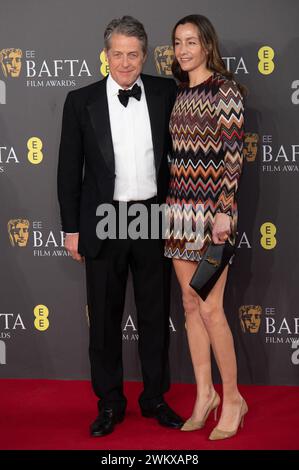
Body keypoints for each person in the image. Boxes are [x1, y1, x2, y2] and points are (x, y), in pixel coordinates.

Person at [57, 15, 183, 437]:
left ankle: (155, 398)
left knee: (154, 314)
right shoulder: (81, 100)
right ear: (105, 54)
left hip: (151, 214)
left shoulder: (167, 92)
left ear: (144, 55)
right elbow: (67, 170)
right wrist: (71, 227)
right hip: (105, 217)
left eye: (133, 55)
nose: (125, 63)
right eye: (117, 54)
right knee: (106, 319)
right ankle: (110, 402)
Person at [164, 14, 247, 440]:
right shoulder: (180, 93)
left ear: (207, 45)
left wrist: (225, 210)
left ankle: (233, 398)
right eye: (178, 42)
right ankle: (204, 395)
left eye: (191, 41)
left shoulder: (225, 90)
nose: (183, 49)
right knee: (190, 304)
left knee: (212, 308)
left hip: (213, 214)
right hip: (179, 212)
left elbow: (233, 155)